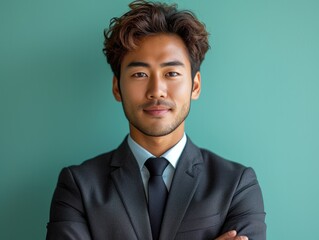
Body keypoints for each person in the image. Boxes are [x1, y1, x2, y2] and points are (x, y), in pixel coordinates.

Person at [46, 1, 266, 239]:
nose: (157, 90)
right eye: (139, 74)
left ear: (195, 85)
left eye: (171, 73)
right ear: (117, 88)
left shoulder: (236, 185)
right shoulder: (78, 186)